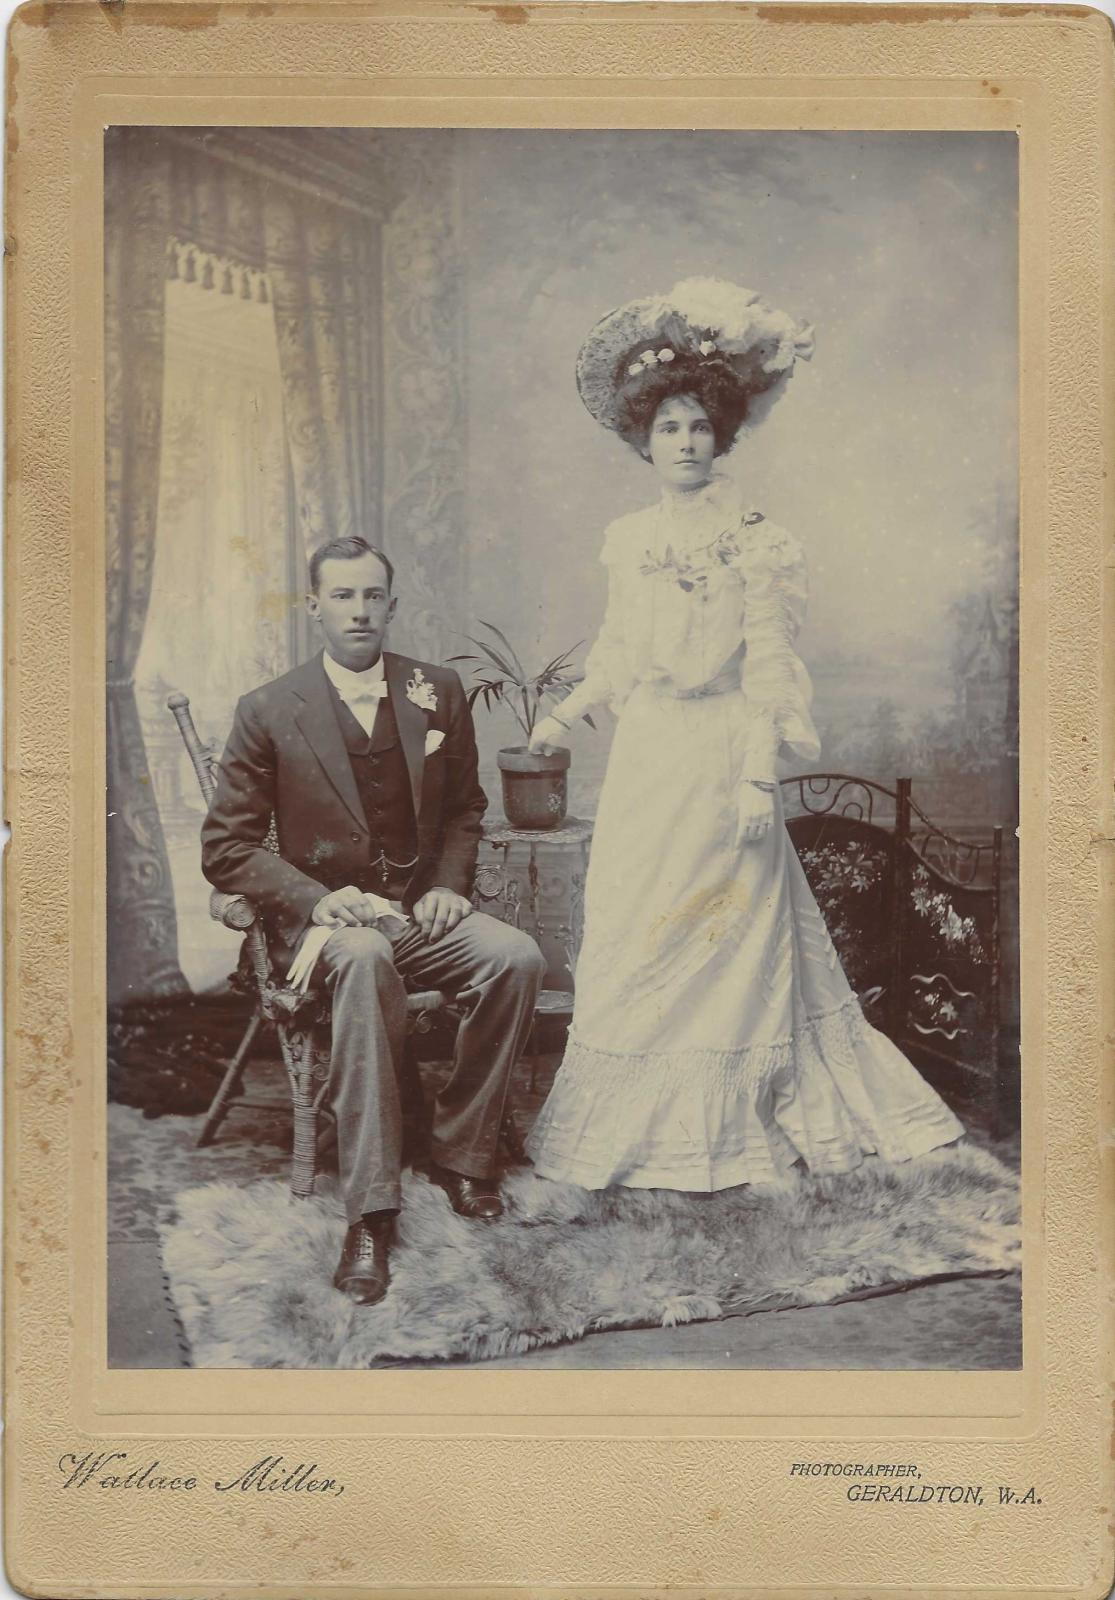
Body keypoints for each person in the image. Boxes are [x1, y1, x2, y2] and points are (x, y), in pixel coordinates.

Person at [525, 277, 964, 1191]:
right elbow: (619, 650)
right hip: (649, 757)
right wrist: (563, 711)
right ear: (642, 440)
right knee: (639, 931)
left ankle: (733, 1129)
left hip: (726, 755)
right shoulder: (626, 538)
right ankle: (639, 1133)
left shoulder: (761, 540)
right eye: (666, 428)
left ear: (721, 434)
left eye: (697, 426)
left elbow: (766, 665)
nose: (684, 443)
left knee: (728, 941)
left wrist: (760, 777)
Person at [202, 537, 545, 1305]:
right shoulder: (267, 709)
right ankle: (371, 1210)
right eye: (343, 596)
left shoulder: (437, 690)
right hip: (327, 927)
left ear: (392, 604)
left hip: (417, 912)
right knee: (361, 958)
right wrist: (315, 900)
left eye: (373, 596)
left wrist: (450, 886)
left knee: (516, 957)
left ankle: (462, 1152)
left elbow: (463, 809)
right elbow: (225, 848)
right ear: (314, 606)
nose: (359, 611)